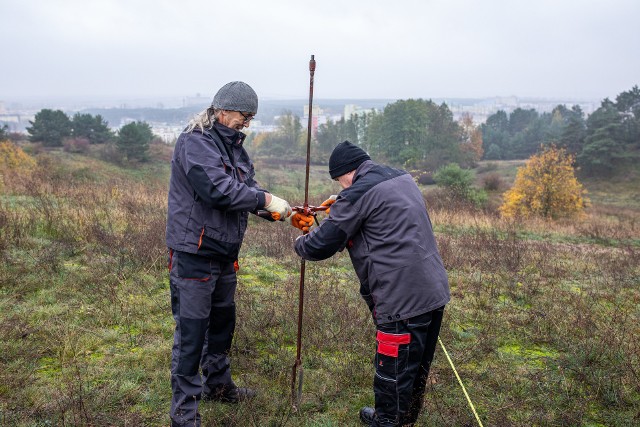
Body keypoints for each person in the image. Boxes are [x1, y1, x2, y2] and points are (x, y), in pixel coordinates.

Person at [165, 81, 306, 427]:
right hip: (194, 253)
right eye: (244, 117)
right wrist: (264, 201)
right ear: (223, 110)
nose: (246, 124)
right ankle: (184, 412)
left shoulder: (237, 150)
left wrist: (283, 212)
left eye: (250, 119)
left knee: (222, 325)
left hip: (225, 253)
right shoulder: (194, 142)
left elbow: (248, 189)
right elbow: (218, 190)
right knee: (192, 332)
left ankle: (218, 386)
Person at [294, 141, 451, 426]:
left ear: (346, 173)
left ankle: (388, 421)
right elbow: (377, 213)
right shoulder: (400, 178)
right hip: (433, 290)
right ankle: (405, 418)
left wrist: (299, 242)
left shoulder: (356, 195)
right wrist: (341, 202)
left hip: (399, 298)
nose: (341, 187)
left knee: (393, 370)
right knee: (415, 367)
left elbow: (321, 245)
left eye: (340, 182)